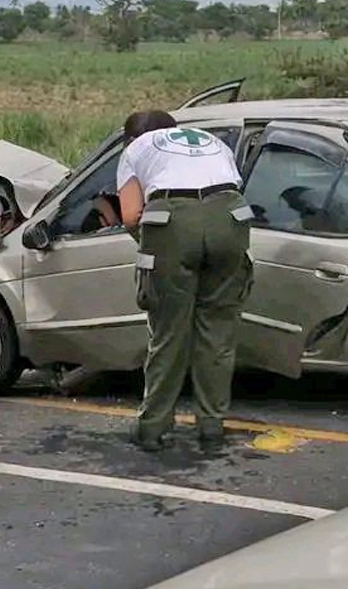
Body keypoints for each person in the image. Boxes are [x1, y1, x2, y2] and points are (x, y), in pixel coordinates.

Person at [115, 110, 253, 452]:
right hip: (231, 216)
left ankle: (153, 427)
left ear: (130, 137)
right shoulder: (212, 141)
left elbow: (131, 215)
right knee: (218, 329)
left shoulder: (136, 148)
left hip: (174, 221)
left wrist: (150, 246)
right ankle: (211, 425)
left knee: (169, 331)